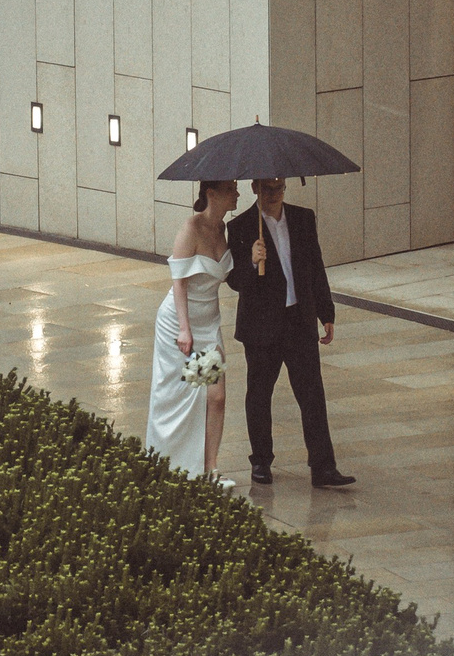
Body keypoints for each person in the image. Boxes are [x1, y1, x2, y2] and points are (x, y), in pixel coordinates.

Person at [225, 176, 354, 489]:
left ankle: (323, 466)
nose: (274, 194)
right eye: (267, 189)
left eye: (279, 188)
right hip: (261, 326)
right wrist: (251, 261)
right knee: (259, 395)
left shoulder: (303, 219)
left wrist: (326, 313)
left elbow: (315, 267)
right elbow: (234, 281)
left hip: (299, 320)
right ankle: (261, 461)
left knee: (312, 394)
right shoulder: (240, 227)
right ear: (255, 188)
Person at [145, 179, 237, 484]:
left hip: (209, 324)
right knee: (183, 396)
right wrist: (185, 330)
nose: (237, 193)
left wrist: (252, 258)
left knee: (216, 397)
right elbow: (179, 283)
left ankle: (210, 469)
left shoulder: (223, 229)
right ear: (211, 193)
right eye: (231, 189)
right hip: (180, 324)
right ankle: (172, 464)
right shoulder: (190, 229)